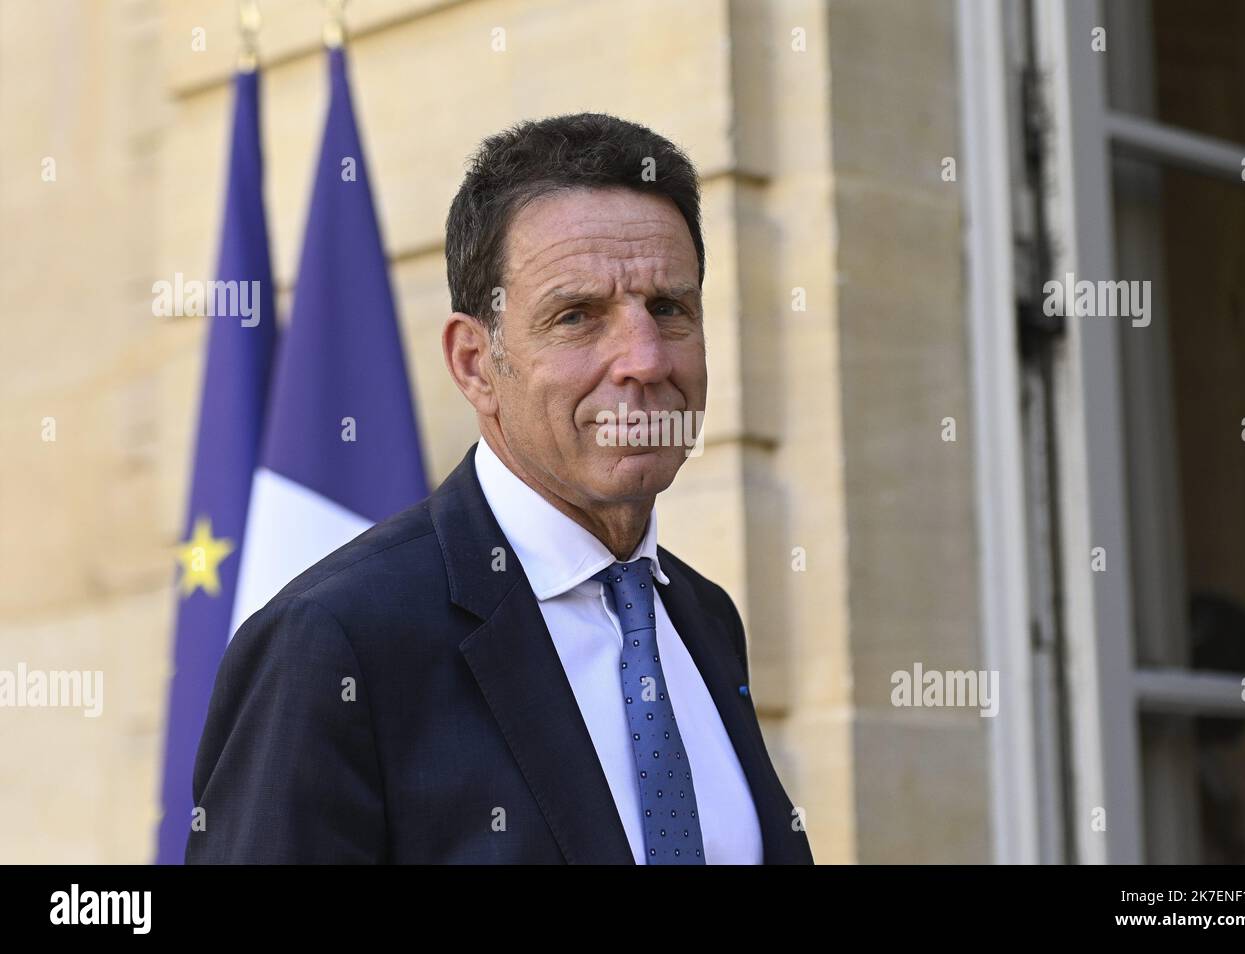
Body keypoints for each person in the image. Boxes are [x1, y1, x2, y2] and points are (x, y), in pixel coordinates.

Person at [187, 112, 814, 864]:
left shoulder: (703, 616)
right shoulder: (336, 640)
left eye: (669, 309)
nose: (645, 360)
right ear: (476, 363)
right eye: (578, 316)